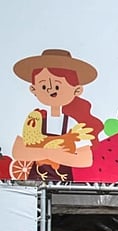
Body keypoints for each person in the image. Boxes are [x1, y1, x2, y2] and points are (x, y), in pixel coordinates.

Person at [12, 49, 104, 181]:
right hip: (35, 182)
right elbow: (18, 151)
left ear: (77, 90)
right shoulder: (34, 120)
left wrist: (43, 151)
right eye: (43, 86)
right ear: (33, 89)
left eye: (57, 86)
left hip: (64, 186)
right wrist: (57, 151)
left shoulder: (72, 123)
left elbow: (85, 159)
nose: (50, 90)